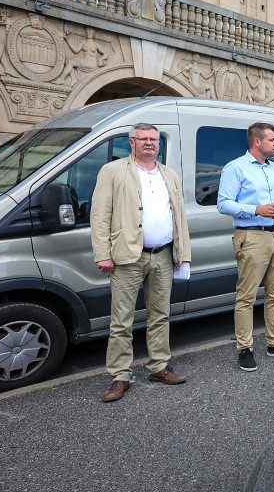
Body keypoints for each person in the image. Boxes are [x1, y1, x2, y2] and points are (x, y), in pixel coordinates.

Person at [90, 123, 191, 402]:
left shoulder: (168, 174)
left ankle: (159, 367)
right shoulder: (113, 171)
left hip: (163, 255)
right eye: (143, 139)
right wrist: (103, 253)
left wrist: (183, 254)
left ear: (159, 144)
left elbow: (178, 217)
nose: (149, 143)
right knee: (121, 321)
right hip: (127, 256)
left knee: (160, 316)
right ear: (131, 142)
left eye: (153, 139)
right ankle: (120, 376)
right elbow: (100, 215)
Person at [217, 122, 274, 372]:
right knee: (246, 296)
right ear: (257, 141)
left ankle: (273, 342)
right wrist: (256, 209)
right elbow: (223, 204)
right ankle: (244, 349)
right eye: (272, 139)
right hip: (252, 236)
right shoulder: (236, 168)